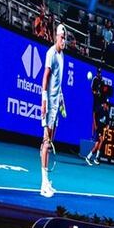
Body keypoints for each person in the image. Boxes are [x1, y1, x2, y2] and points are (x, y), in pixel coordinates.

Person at [40, 22, 67, 197]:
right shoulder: (51, 53)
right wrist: (44, 99)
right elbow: (46, 77)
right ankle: (43, 185)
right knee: (46, 142)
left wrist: (62, 101)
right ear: (56, 36)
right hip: (49, 104)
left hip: (57, 104)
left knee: (49, 145)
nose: (63, 41)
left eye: (65, 38)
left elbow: (58, 83)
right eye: (61, 37)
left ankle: (46, 180)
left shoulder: (63, 55)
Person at [85, 67, 112, 166]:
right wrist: (96, 93)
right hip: (96, 104)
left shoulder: (102, 81)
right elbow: (93, 90)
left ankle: (95, 158)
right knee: (98, 141)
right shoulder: (95, 80)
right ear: (97, 73)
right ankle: (90, 155)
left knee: (101, 141)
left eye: (101, 73)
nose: (100, 74)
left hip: (100, 109)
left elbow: (105, 92)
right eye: (99, 73)